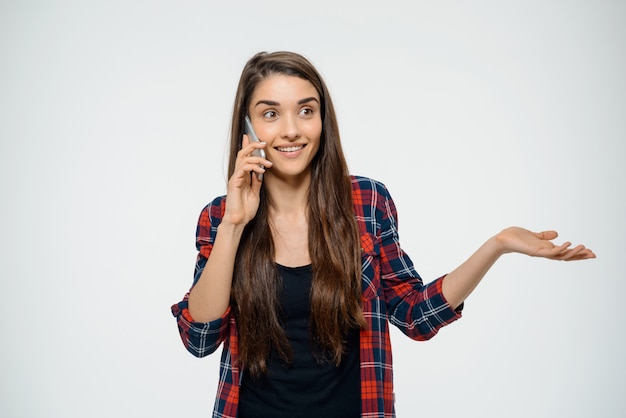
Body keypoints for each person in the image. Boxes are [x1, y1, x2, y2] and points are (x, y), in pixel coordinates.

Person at [171, 51, 595, 418]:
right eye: (270, 113)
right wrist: (233, 225)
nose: (291, 130)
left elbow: (414, 315)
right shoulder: (219, 217)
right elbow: (200, 338)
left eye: (306, 110)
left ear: (323, 119)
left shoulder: (366, 202)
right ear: (247, 127)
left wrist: (496, 245)